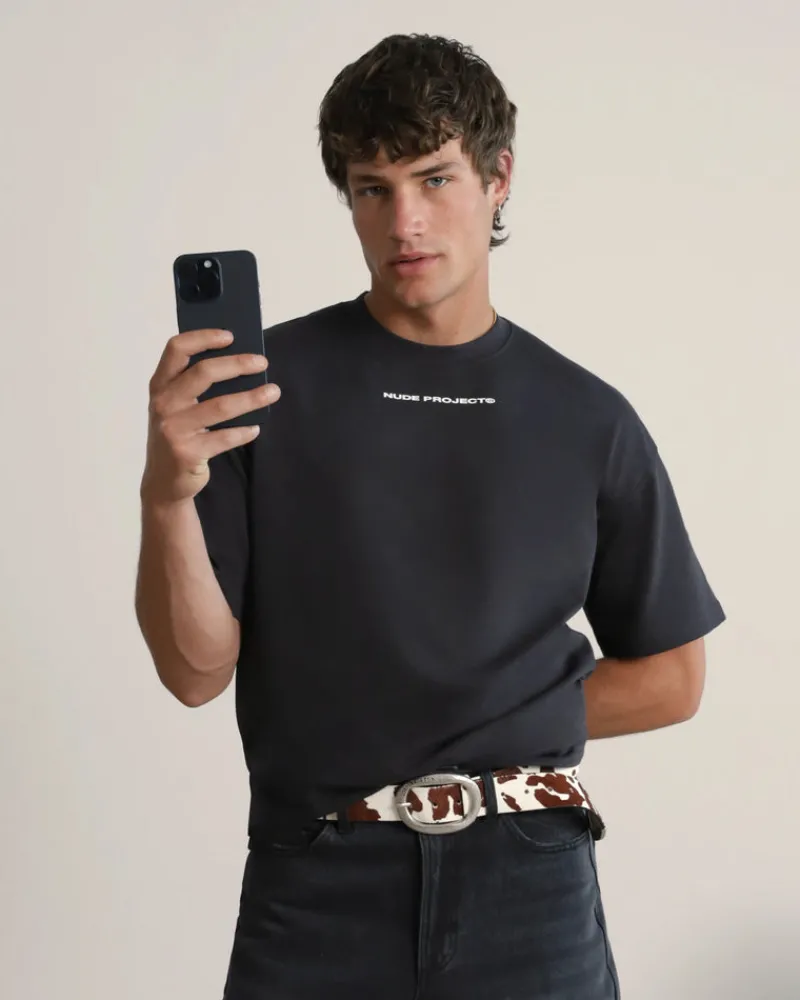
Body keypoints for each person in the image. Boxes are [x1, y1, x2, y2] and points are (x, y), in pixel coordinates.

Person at [135, 33, 726, 1000]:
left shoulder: (587, 417)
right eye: (373, 189)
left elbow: (672, 679)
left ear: (498, 179)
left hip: (528, 877)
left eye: (434, 178)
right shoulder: (259, 391)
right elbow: (194, 672)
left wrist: (462, 725)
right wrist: (166, 493)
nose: (404, 221)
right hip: (318, 876)